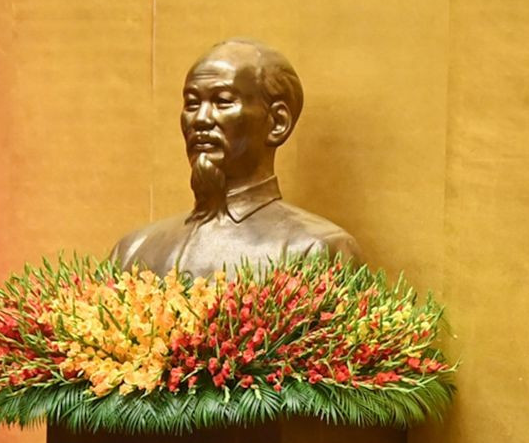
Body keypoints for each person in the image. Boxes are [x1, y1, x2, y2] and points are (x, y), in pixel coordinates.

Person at [111, 38, 360, 277]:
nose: (201, 119)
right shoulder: (133, 252)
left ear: (277, 123)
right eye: (192, 103)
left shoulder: (316, 250)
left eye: (222, 101)